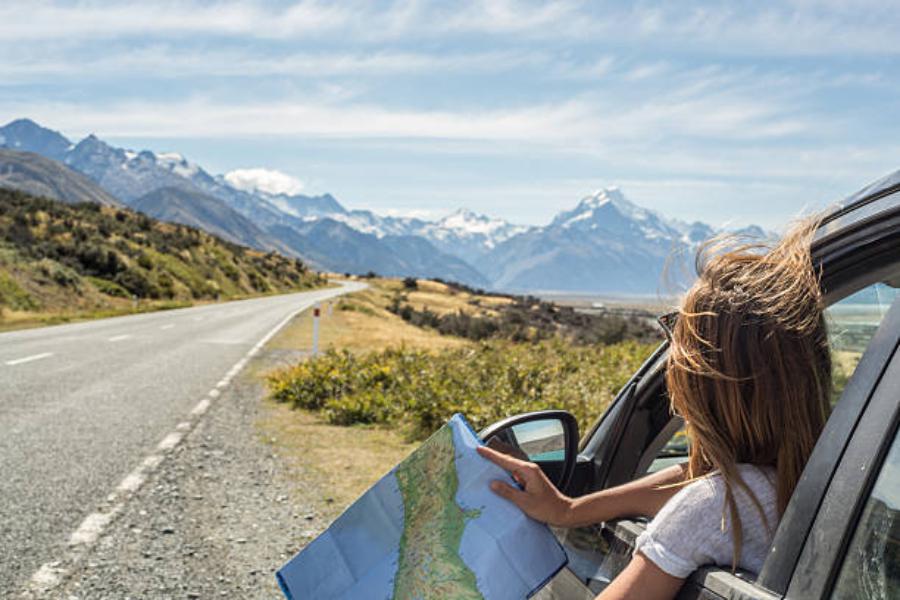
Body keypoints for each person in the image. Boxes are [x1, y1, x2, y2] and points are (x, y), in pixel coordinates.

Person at [478, 217, 832, 600]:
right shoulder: (815, 483)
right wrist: (568, 510)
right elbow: (688, 480)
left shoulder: (715, 506)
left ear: (702, 382)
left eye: (676, 341)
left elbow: (701, 496)